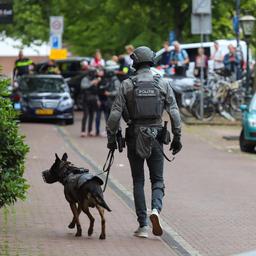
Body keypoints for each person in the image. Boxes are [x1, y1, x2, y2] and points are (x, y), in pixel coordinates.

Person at [106, 46, 182, 238]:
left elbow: (115, 114)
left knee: (138, 180)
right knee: (157, 180)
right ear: (151, 61)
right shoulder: (163, 83)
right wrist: (177, 136)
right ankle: (156, 209)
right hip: (157, 135)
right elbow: (174, 111)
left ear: (136, 62)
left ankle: (143, 226)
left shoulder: (127, 84)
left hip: (134, 135)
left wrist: (111, 138)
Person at [80, 68, 100, 137]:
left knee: (92, 115)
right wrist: (92, 83)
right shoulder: (85, 79)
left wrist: (97, 100)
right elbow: (83, 86)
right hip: (86, 99)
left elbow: (96, 90)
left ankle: (90, 131)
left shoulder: (95, 79)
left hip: (93, 99)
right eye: (94, 73)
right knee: (85, 115)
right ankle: (83, 131)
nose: (95, 74)